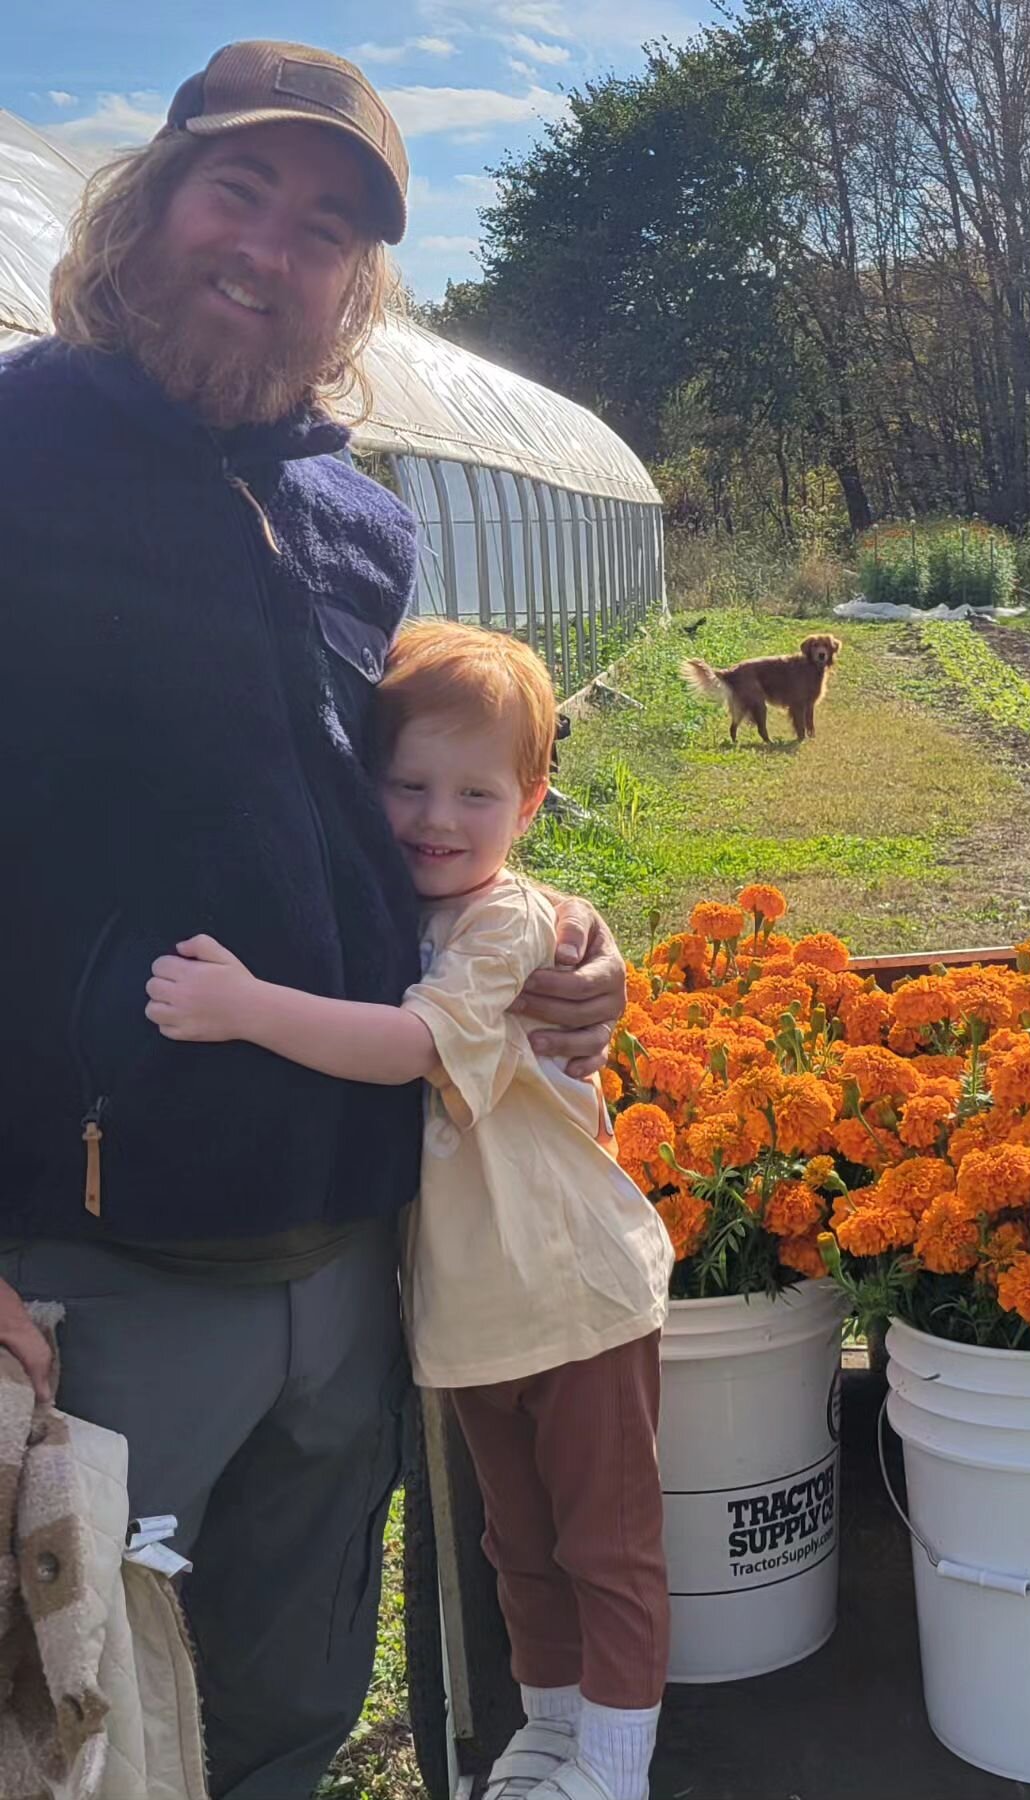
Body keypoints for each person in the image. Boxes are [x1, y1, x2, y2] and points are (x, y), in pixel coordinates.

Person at [0, 41, 626, 1799]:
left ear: (362, 281)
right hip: (110, 1269)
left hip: (351, 1249)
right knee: (88, 1719)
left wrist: (568, 939)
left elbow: (402, 831)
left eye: (330, 225)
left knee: (287, 1701)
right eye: (241, 192)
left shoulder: (357, 521)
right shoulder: (24, 453)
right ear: (150, 201)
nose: (275, 249)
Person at [148, 620, 674, 1800]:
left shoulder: (506, 925)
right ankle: (548, 1732)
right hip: (477, 1309)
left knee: (607, 1549)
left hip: (573, 1290)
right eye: (410, 785)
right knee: (519, 1549)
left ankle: (618, 1767)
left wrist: (244, 1006)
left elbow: (408, 1050)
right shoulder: (403, 914)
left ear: (532, 802)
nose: (438, 818)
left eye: (475, 794)